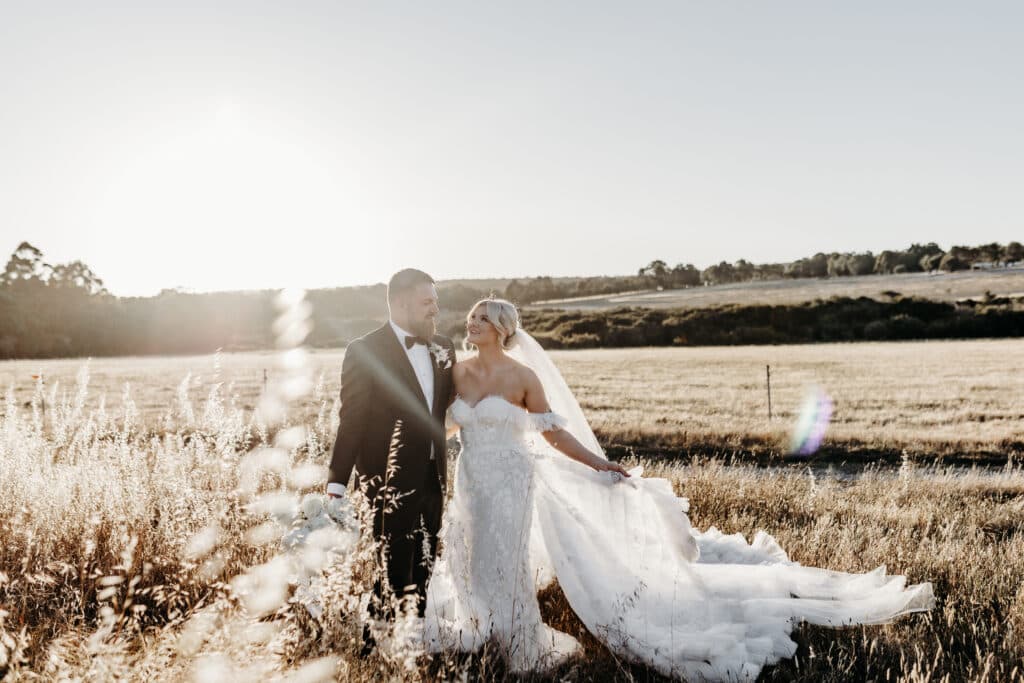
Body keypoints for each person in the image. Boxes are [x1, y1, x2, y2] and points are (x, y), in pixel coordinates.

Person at [422, 297, 935, 681]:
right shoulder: (458, 371)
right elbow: (445, 425)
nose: (471, 322)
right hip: (471, 480)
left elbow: (553, 434)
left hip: (512, 483)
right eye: (470, 316)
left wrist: (601, 463)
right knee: (468, 551)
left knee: (502, 557)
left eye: (482, 317)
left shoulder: (522, 376)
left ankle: (514, 637)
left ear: (502, 329)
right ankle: (477, 626)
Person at [326, 268, 457, 645]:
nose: (436, 309)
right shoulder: (364, 351)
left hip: (435, 476)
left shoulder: (444, 347)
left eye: (436, 300)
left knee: (426, 564)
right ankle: (374, 648)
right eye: (427, 301)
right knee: (393, 568)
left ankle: (408, 644)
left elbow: (447, 407)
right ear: (400, 303)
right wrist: (336, 482)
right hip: (387, 481)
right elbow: (350, 420)